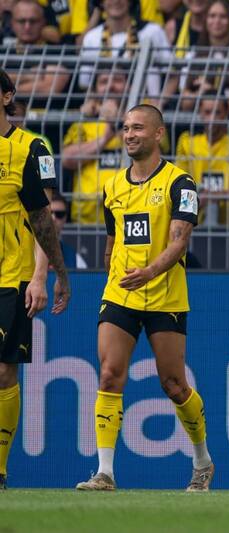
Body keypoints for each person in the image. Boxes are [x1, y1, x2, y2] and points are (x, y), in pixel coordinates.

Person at [75, 104, 213, 492]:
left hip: (165, 296)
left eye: (137, 127)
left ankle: (202, 459)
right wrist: (113, 276)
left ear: (158, 134)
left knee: (173, 384)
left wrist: (150, 272)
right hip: (121, 293)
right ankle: (105, 472)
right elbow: (111, 240)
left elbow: (180, 241)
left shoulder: (180, 184)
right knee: (108, 373)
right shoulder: (112, 186)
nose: (129, 134)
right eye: (124, 128)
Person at [0, 68, 70, 490]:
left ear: (7, 96)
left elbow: (42, 218)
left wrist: (42, 276)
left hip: (11, 274)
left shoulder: (31, 148)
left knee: (4, 373)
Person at [62, 71, 128, 225]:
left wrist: (117, 119)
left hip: (128, 216)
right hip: (86, 218)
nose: (111, 86)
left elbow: (152, 152)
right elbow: (67, 159)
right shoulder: (83, 123)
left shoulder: (141, 119)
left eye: (117, 80)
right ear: (95, 89)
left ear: (129, 85)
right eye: (104, 81)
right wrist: (105, 139)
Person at [177, 0, 229, 112]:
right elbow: (185, 104)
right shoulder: (192, 55)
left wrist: (212, 92)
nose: (217, 21)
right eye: (212, 16)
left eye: (223, 16)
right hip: (197, 126)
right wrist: (201, 93)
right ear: (205, 20)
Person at [176, 94, 229, 226]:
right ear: (200, 113)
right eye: (207, 112)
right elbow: (180, 183)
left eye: (217, 112)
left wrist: (211, 196)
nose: (212, 118)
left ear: (226, 113)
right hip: (194, 224)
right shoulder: (186, 142)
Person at [50, 193, 89, 269]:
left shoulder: (75, 259)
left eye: (59, 214)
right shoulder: (25, 254)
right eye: (49, 213)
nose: (53, 218)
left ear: (65, 219)